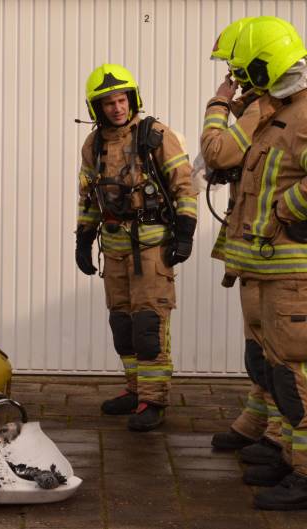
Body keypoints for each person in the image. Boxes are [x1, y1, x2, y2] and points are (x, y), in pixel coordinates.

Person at [75, 64, 198, 431]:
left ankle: (153, 400)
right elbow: (88, 197)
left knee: (148, 324)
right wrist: (83, 239)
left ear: (132, 98)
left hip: (152, 248)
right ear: (97, 108)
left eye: (121, 99)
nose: (117, 107)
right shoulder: (93, 145)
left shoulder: (156, 135)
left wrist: (186, 232)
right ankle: (134, 390)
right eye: (109, 102)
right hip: (113, 247)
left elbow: (184, 186)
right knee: (123, 325)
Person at [225, 15, 307, 510]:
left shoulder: (304, 114)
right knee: (281, 373)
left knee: (299, 375)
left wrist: (283, 210)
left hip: (294, 272)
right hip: (273, 271)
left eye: (245, 70)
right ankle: (289, 456)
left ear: (267, 64)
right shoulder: (284, 111)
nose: (241, 80)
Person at [201, 18, 284, 474]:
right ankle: (259, 419)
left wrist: (218, 103)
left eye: (234, 70)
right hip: (255, 248)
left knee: (274, 347)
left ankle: (278, 434)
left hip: (273, 251)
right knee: (259, 342)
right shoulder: (267, 107)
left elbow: (218, 153)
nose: (231, 78)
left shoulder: (264, 108)